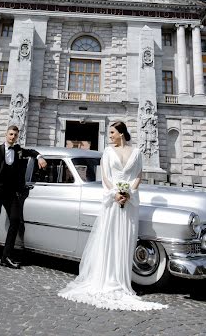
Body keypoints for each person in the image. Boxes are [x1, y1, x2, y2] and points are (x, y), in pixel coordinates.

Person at [58, 121, 167, 311]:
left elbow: (138, 175)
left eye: (112, 132)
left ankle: (121, 280)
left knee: (126, 239)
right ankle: (107, 278)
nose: (110, 135)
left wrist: (129, 193)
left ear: (121, 133)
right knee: (109, 238)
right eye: (109, 132)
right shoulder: (108, 152)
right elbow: (106, 177)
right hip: (112, 200)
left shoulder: (136, 152)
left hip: (130, 202)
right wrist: (116, 194)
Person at [0, 124, 47, 269]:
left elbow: (30, 151)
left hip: (11, 191)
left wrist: (39, 157)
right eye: (11, 134)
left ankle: (6, 257)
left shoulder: (18, 150)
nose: (13, 137)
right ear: (6, 135)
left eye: (15, 135)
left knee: (15, 220)